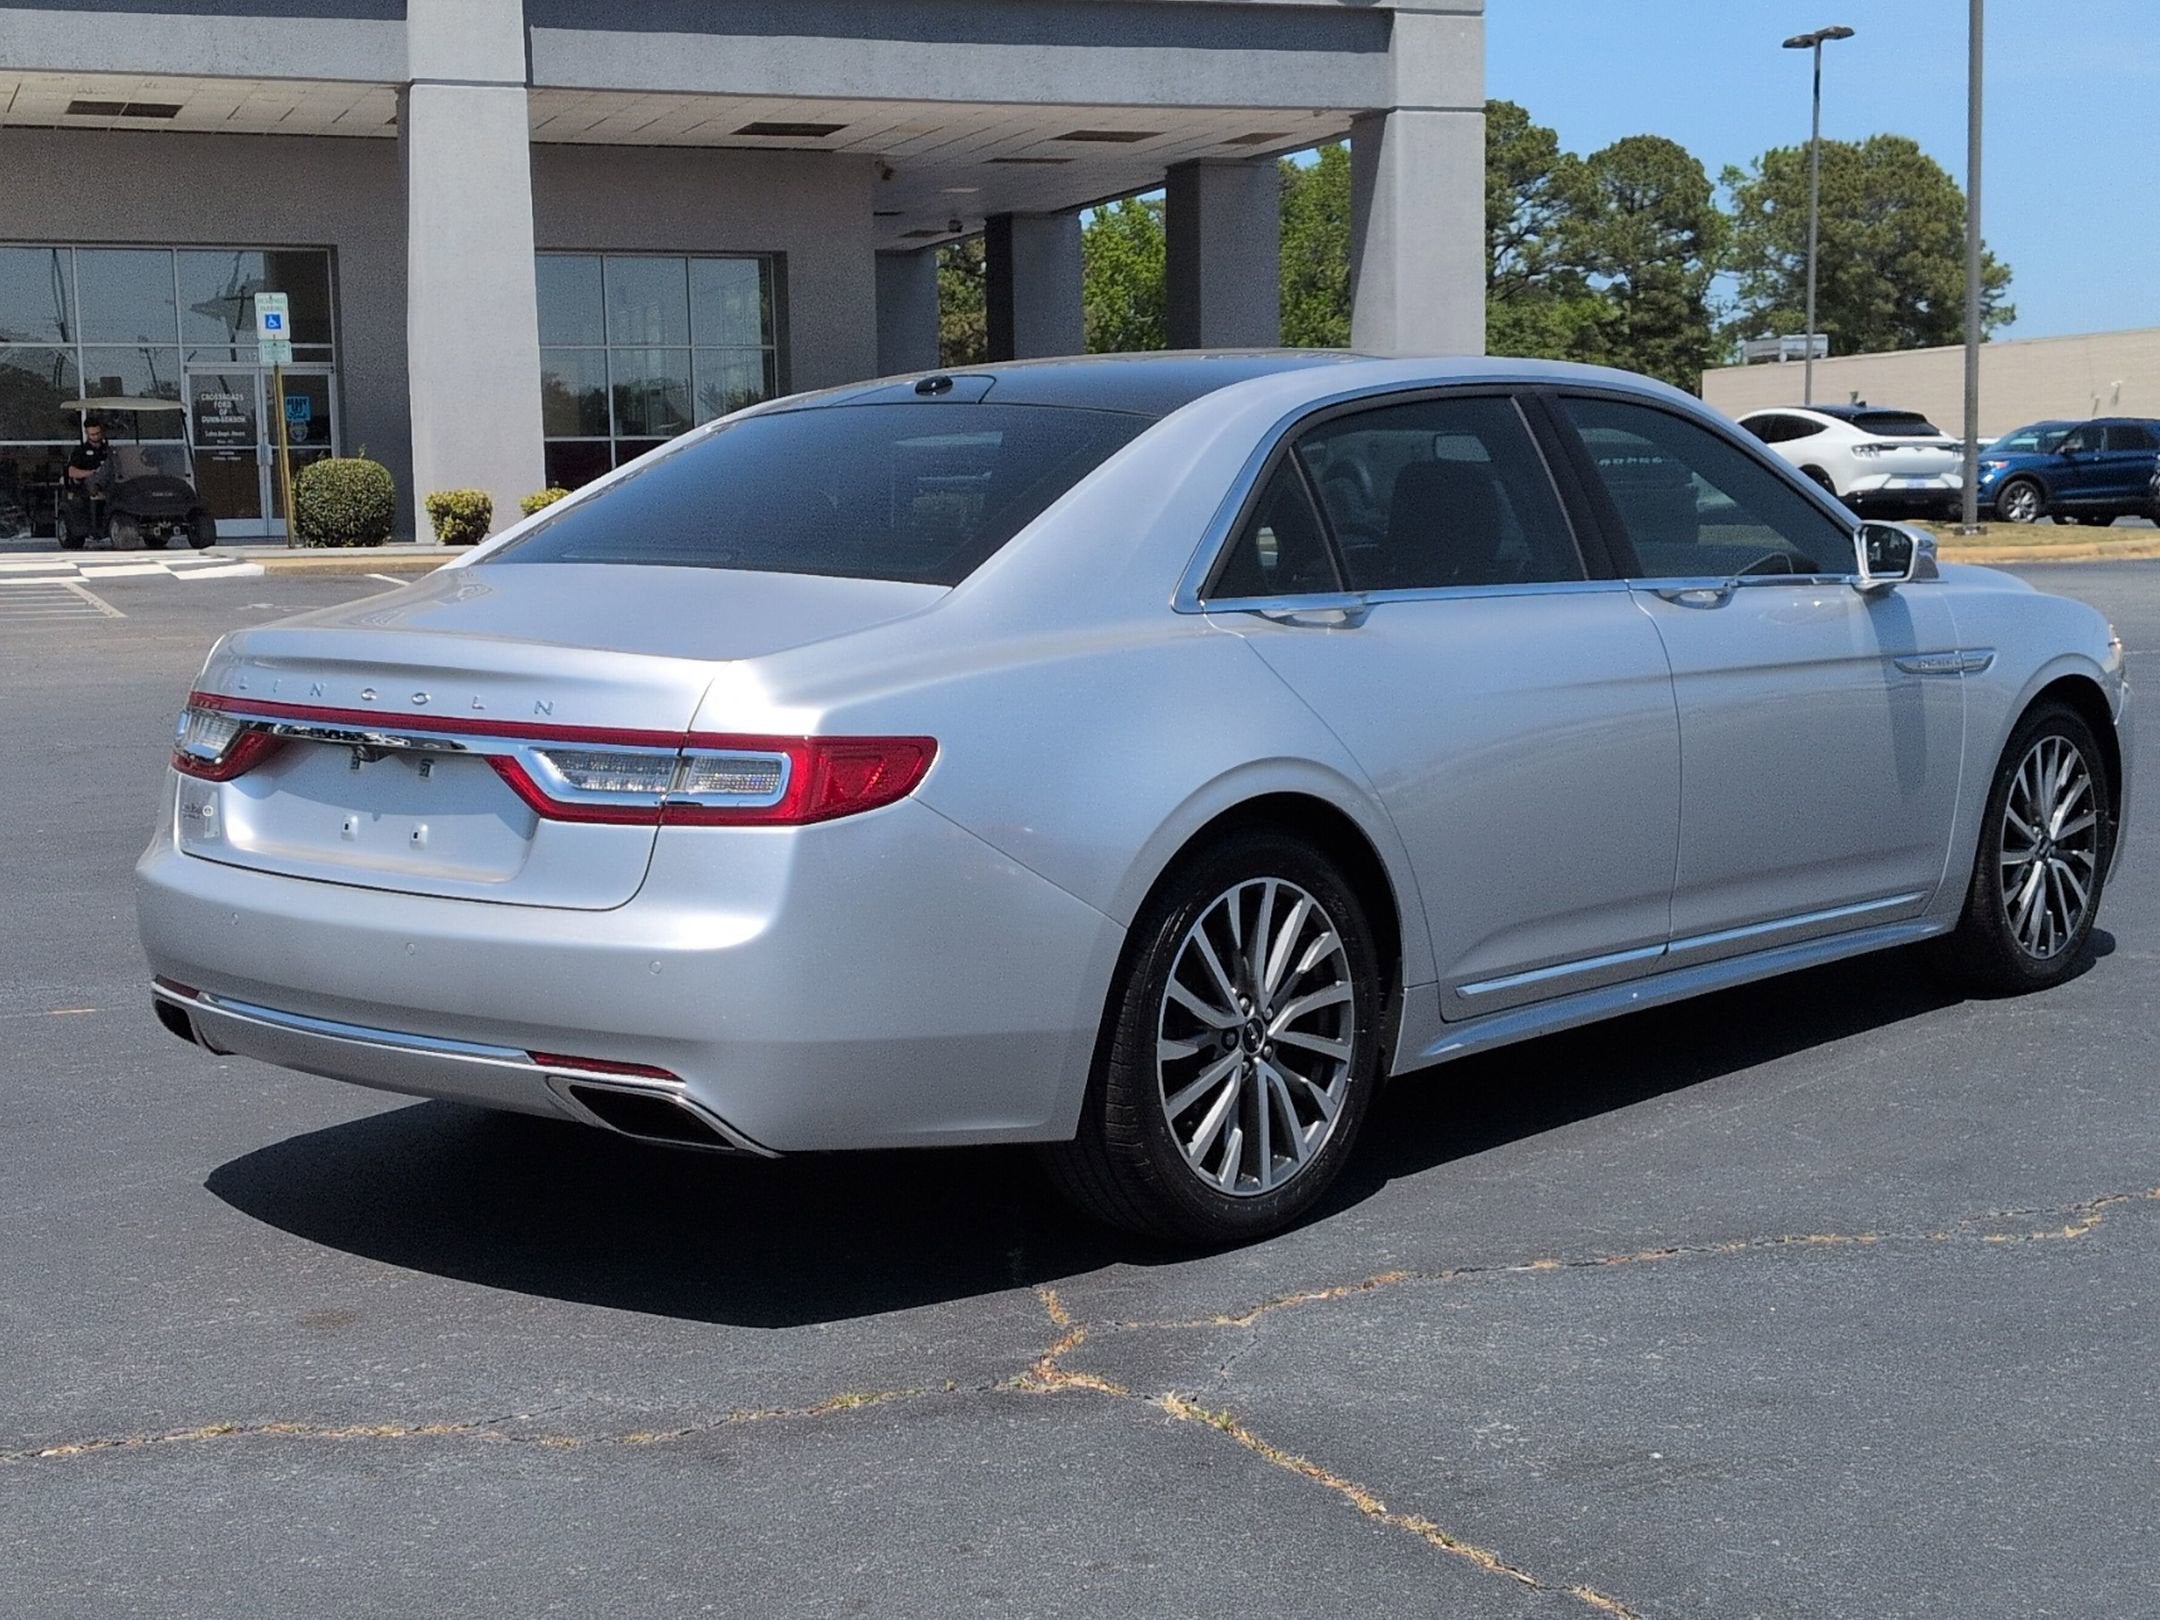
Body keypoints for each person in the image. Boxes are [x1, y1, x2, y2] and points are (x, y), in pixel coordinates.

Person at [60, 416, 110, 546]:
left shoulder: (108, 450)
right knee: (95, 484)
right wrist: (91, 473)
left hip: (109, 484)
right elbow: (71, 471)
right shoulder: (80, 451)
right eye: (92, 434)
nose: (95, 436)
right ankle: (95, 526)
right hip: (86, 485)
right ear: (87, 434)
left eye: (98, 433)